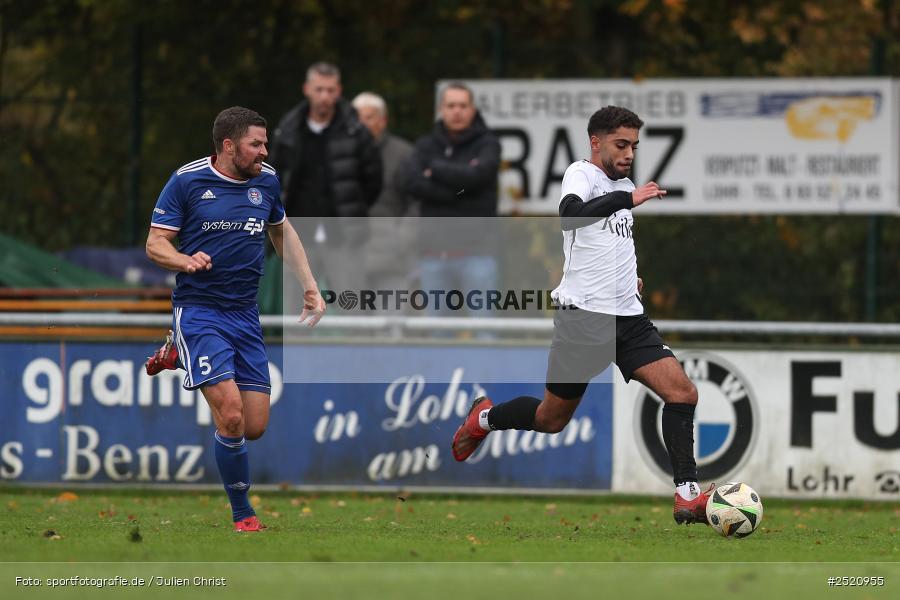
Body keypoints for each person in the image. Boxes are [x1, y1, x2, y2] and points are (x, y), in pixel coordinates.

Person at [451, 106, 712, 525]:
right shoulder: (581, 174)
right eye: (620, 144)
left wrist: (631, 278)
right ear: (596, 142)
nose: (629, 153)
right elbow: (571, 217)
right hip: (583, 320)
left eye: (634, 146)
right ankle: (483, 418)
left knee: (682, 393)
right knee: (550, 420)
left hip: (628, 319)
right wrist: (630, 197)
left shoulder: (623, 185)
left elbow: (608, 244)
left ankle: (686, 496)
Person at [143, 106, 326, 532]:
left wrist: (309, 284)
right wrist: (184, 260)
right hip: (200, 312)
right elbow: (155, 245)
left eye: (265, 143)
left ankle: (176, 354)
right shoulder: (187, 181)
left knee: (254, 424)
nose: (265, 151)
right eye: (256, 144)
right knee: (230, 415)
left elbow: (281, 230)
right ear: (229, 146)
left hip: (245, 315)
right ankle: (244, 515)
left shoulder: (267, 180)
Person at [268, 62, 382, 294]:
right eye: (319, 89)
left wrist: (353, 208)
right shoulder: (289, 130)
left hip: (343, 236)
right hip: (298, 235)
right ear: (306, 89)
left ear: (338, 91)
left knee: (351, 306)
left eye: (330, 90)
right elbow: (274, 176)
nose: (324, 96)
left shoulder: (355, 131)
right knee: (296, 309)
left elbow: (373, 180)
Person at [404, 82, 501, 317]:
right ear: (441, 109)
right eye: (451, 105)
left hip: (479, 256)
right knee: (437, 337)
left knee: (484, 333)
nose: (457, 111)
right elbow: (414, 184)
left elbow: (478, 177)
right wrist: (461, 187)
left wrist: (434, 169)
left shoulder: (488, 144)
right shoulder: (425, 145)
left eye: (462, 105)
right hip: (433, 257)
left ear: (472, 109)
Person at [351, 91, 415, 291]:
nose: (361, 124)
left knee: (391, 321)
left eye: (368, 118)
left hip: (393, 261)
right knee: (353, 322)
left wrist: (402, 239)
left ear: (383, 121)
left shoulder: (404, 154)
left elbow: (416, 203)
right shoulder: (339, 153)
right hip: (350, 260)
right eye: (357, 118)